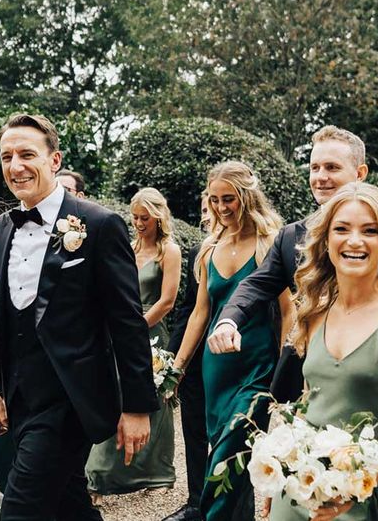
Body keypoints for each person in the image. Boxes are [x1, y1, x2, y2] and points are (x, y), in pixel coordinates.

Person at [0, 113, 158, 521]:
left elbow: (127, 322)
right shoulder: (3, 226)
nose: (16, 165)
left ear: (54, 160)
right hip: (21, 393)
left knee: (20, 509)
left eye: (27, 154)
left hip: (71, 398)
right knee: (68, 504)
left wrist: (136, 406)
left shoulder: (99, 224)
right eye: (7, 156)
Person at [269, 182, 378, 520]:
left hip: (369, 494)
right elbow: (311, 400)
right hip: (301, 492)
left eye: (370, 231)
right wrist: (280, 470)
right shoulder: (316, 309)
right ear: (326, 240)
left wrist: (355, 482)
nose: (354, 241)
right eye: (342, 229)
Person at [208, 126, 369, 403]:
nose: (320, 177)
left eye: (331, 167)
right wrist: (227, 321)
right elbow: (256, 284)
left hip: (368, 370)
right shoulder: (291, 236)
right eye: (314, 167)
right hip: (305, 375)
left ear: (360, 174)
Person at [173, 161, 294, 520]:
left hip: (256, 366)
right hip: (216, 368)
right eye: (215, 200)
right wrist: (177, 367)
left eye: (230, 199)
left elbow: (288, 311)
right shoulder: (209, 248)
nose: (222, 207)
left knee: (231, 452)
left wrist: (287, 366)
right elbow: (200, 314)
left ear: (247, 197)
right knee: (229, 460)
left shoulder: (269, 244)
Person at [86, 188, 181, 500]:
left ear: (159, 217)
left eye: (145, 218)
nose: (139, 223)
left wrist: (135, 327)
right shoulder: (127, 247)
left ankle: (157, 474)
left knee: (156, 404)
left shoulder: (169, 251)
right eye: (136, 217)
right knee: (115, 395)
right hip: (121, 332)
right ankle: (100, 474)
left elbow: (167, 300)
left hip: (153, 331)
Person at [162, 193, 211, 521]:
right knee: (193, 431)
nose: (210, 214)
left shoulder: (263, 248)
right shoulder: (198, 252)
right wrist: (171, 361)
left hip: (239, 361)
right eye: (206, 208)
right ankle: (196, 502)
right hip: (195, 357)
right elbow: (188, 311)